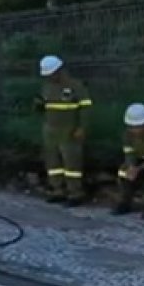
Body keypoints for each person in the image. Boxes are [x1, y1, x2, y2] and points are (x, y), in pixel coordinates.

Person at [34, 55, 92, 206]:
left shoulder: (76, 86)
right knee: (53, 162)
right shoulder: (47, 87)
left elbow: (86, 108)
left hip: (69, 130)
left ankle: (75, 193)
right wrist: (38, 105)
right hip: (50, 130)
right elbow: (42, 105)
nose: (49, 77)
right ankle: (57, 190)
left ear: (59, 71)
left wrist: (82, 127)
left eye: (51, 74)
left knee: (72, 164)